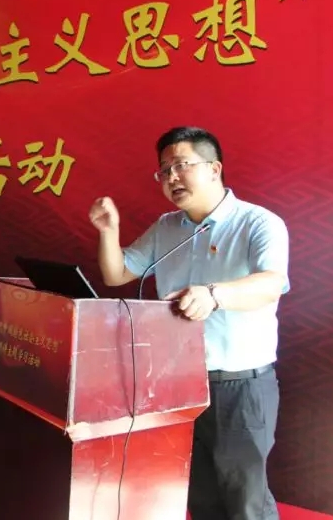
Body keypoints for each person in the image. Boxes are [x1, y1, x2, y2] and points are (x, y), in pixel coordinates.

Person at [87, 126, 289, 520]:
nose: (172, 177)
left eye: (181, 165)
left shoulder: (258, 223)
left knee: (245, 501)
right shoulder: (167, 227)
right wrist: (109, 232)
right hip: (179, 384)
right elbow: (117, 273)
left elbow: (270, 284)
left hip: (239, 387)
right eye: (164, 171)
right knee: (199, 495)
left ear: (214, 168)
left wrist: (214, 295)